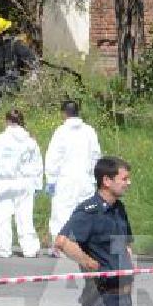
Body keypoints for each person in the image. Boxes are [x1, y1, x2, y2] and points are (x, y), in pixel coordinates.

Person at [54, 157, 135, 306]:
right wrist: (88, 262)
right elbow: (62, 241)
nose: (128, 183)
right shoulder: (89, 211)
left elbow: (123, 244)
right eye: (124, 178)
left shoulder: (118, 209)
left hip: (123, 299)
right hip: (101, 298)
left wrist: (127, 263)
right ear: (106, 180)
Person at [44, 100, 102, 257]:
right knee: (86, 213)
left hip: (66, 179)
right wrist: (94, 177)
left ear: (64, 113)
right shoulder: (89, 131)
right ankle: (86, 248)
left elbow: (54, 157)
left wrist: (51, 179)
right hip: (86, 179)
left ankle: (60, 247)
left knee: (62, 213)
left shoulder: (61, 131)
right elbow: (96, 156)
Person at [0, 109, 44, 258]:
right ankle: (30, 249)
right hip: (25, 183)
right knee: (25, 216)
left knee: (1, 217)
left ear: (7, 121)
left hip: (5, 183)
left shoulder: (0, 139)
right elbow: (37, 164)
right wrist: (37, 184)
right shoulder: (30, 140)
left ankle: (4, 249)